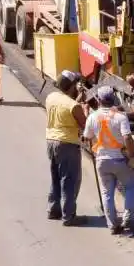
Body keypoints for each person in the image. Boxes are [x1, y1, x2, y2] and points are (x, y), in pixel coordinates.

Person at [83, 87, 134, 236]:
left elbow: (87, 137)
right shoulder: (120, 117)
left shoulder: (92, 117)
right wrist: (133, 156)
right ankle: (128, 219)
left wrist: (86, 112)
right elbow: (127, 137)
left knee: (106, 192)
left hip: (101, 160)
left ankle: (112, 225)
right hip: (119, 159)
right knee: (131, 186)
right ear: (113, 98)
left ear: (99, 100)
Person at [45, 71, 87, 226]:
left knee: (55, 177)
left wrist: (77, 100)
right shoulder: (74, 105)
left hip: (51, 141)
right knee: (69, 180)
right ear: (72, 86)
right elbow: (84, 123)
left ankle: (53, 209)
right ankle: (69, 216)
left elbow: (66, 108)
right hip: (67, 144)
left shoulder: (51, 97)